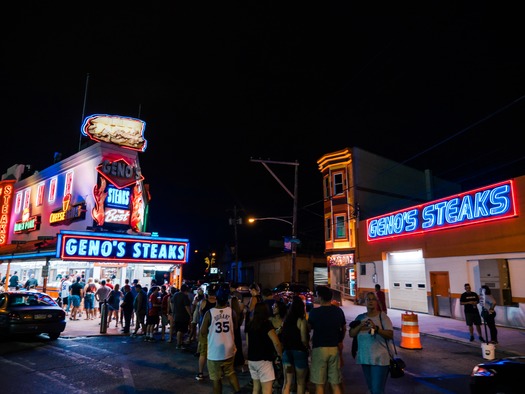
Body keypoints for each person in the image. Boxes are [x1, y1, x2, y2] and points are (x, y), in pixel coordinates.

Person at [349, 291, 394, 394]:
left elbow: (390, 334)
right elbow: (351, 333)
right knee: (371, 389)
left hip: (380, 359)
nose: (370, 301)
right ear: (365, 302)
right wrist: (360, 325)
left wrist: (377, 329)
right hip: (365, 358)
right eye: (368, 299)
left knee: (377, 390)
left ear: (377, 302)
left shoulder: (382, 317)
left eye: (373, 299)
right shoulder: (360, 317)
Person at [199, 284, 241, 394]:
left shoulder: (210, 313)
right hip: (229, 349)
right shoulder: (232, 312)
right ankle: (238, 392)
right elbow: (236, 327)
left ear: (216, 299)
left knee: (216, 379)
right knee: (231, 373)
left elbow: (202, 331)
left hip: (214, 351)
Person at [307, 285, 346, 394]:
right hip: (334, 349)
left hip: (319, 348)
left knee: (320, 385)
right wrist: (340, 341)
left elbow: (309, 329)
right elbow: (343, 329)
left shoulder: (315, 312)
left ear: (320, 297)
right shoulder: (338, 312)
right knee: (335, 384)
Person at [246, 301, 283, 394]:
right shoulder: (266, 324)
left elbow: (247, 343)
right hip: (264, 361)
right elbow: (276, 342)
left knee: (256, 388)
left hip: (252, 360)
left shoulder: (250, 324)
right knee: (267, 390)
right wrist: (280, 354)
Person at [280, 295, 310, 394]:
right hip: (299, 352)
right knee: (300, 383)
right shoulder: (301, 320)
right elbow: (304, 339)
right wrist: (307, 347)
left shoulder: (286, 321)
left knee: (287, 382)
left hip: (287, 352)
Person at [195, 286, 217, 380]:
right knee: (215, 352)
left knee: (203, 353)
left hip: (204, 329)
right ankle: (216, 373)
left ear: (208, 293)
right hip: (214, 331)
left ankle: (200, 373)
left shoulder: (204, 302)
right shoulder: (217, 303)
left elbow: (200, 312)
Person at [169, 283, 191, 349]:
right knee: (181, 330)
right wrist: (190, 315)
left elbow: (171, 302)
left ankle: (180, 343)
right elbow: (187, 306)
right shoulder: (184, 296)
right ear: (186, 290)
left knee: (178, 329)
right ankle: (179, 344)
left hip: (176, 315)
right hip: (183, 316)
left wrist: (173, 311)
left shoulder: (175, 294)